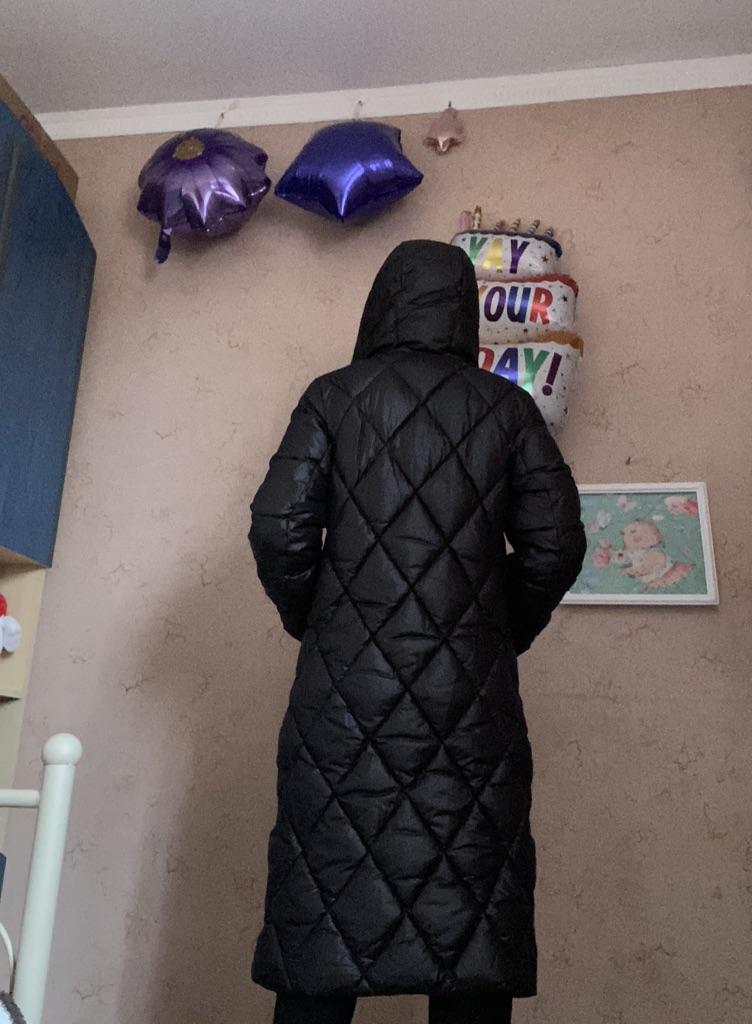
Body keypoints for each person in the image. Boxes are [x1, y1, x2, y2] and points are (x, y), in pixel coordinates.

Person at [248, 240, 587, 1024]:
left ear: (381, 305)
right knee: (469, 932)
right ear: (465, 313)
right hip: (471, 714)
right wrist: (495, 633)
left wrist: (319, 623)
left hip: (340, 709)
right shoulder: (506, 408)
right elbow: (557, 545)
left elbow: (279, 528)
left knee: (321, 929)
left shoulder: (333, 397)